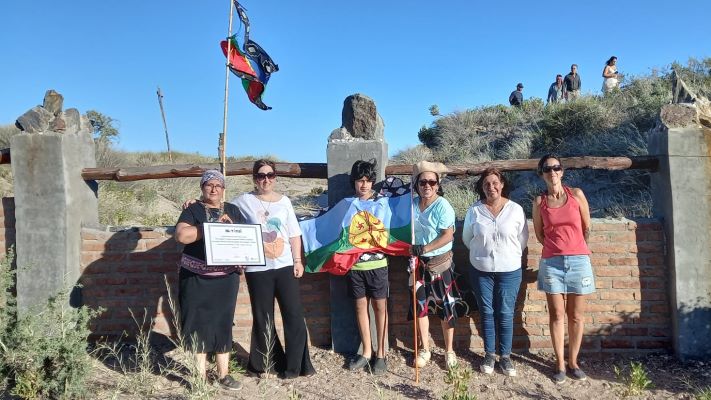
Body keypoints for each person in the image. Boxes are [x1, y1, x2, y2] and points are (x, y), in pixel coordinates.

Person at [231, 159, 316, 379]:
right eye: (261, 176)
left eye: (270, 175)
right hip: (257, 269)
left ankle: (296, 366)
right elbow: (220, 210)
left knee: (294, 315)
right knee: (263, 317)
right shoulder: (243, 201)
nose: (265, 180)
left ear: (275, 178)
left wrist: (298, 260)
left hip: (285, 265)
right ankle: (267, 364)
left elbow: (294, 233)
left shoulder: (285, 202)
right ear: (254, 179)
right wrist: (194, 203)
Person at [175, 169, 244, 391]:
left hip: (226, 278)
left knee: (223, 323)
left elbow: (245, 236)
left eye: (218, 185)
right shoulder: (193, 209)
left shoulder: (233, 210)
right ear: (202, 187)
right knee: (198, 323)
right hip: (196, 277)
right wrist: (211, 227)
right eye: (209, 185)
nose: (213, 189)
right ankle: (199, 376)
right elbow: (182, 235)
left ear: (223, 189)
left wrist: (231, 229)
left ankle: (224, 374)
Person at [532, 154, 595, 384]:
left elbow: (587, 227)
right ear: (542, 174)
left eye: (556, 168)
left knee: (576, 316)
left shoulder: (576, 195)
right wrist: (556, 248)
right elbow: (539, 234)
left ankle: (573, 362)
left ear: (562, 171)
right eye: (547, 169)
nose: (552, 172)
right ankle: (559, 363)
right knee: (557, 315)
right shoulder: (540, 202)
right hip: (552, 262)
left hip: (579, 260)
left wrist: (575, 248)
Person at [462, 168, 528, 377]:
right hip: (481, 270)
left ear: (502, 184)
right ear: (482, 188)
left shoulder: (516, 209)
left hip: (509, 270)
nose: (491, 187)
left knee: (506, 313)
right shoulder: (474, 210)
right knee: (486, 312)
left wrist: (507, 255)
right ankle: (489, 354)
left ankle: (506, 357)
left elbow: (522, 239)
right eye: (486, 184)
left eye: (494, 183)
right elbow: (467, 238)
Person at [409, 161, 462, 370]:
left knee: (446, 308)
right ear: (417, 184)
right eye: (423, 182)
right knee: (421, 307)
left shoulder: (443, 206)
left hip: (439, 263)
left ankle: (449, 350)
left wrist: (424, 248)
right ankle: (425, 348)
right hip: (418, 265)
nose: (427, 185)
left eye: (432, 182)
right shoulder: (411, 204)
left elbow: (447, 235)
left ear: (438, 185)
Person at [345, 160, 389, 375]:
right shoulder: (347, 206)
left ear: (373, 182)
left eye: (368, 180)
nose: (364, 185)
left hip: (378, 264)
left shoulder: (383, 203)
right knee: (360, 308)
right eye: (359, 181)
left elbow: (387, 230)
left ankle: (381, 353)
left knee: (380, 308)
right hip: (355, 266)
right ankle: (367, 352)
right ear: (354, 182)